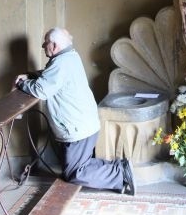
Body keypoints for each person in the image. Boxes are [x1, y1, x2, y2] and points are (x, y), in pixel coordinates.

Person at [14, 27, 136, 194]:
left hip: (77, 128)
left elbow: (41, 90)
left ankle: (120, 172)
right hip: (84, 123)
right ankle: (119, 169)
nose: (43, 46)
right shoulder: (70, 56)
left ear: (55, 45)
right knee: (77, 166)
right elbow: (51, 76)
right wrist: (33, 75)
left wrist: (22, 83)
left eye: (46, 42)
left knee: (75, 173)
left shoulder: (61, 63)